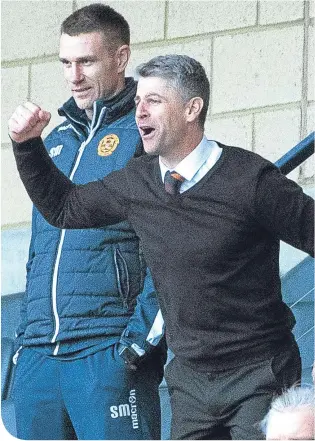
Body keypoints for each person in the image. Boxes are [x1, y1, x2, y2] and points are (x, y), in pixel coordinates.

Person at [9, 54, 314, 440]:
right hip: (189, 380)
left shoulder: (251, 180)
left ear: (192, 108)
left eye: (154, 100)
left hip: (259, 372)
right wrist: (26, 146)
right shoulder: (139, 181)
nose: (140, 112)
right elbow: (64, 207)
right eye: (138, 101)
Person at [7, 4, 166, 440]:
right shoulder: (53, 140)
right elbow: (41, 253)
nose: (73, 76)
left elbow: (177, 250)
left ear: (120, 57)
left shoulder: (147, 134)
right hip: (39, 354)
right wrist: (23, 344)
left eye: (86, 61)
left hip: (106, 350)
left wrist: (139, 343)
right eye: (65, 63)